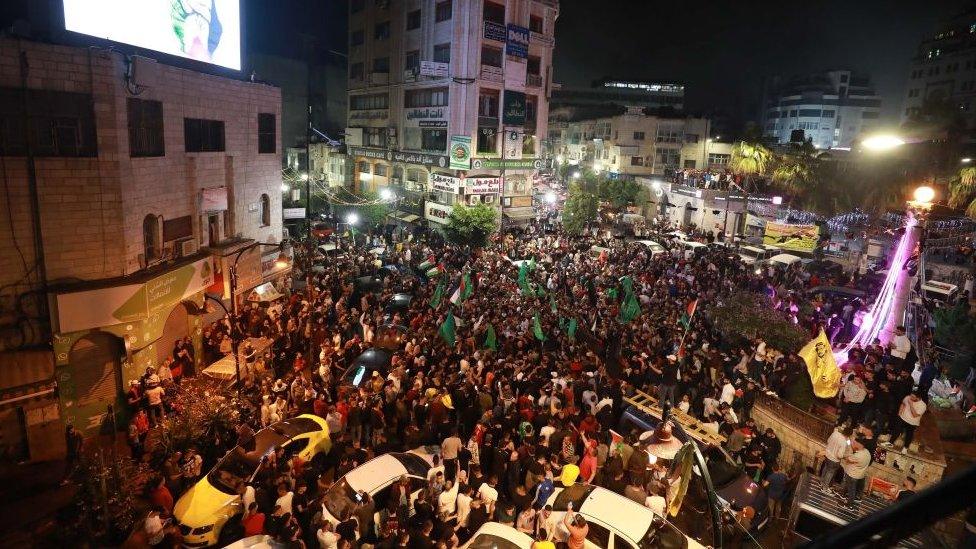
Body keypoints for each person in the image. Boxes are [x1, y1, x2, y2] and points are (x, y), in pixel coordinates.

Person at [839, 437, 871, 507]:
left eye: (855, 443)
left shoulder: (858, 455)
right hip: (859, 475)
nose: (854, 444)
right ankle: (843, 494)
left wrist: (849, 446)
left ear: (859, 444)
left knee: (851, 491)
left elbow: (847, 459)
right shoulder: (867, 452)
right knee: (851, 489)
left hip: (852, 475)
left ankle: (849, 505)